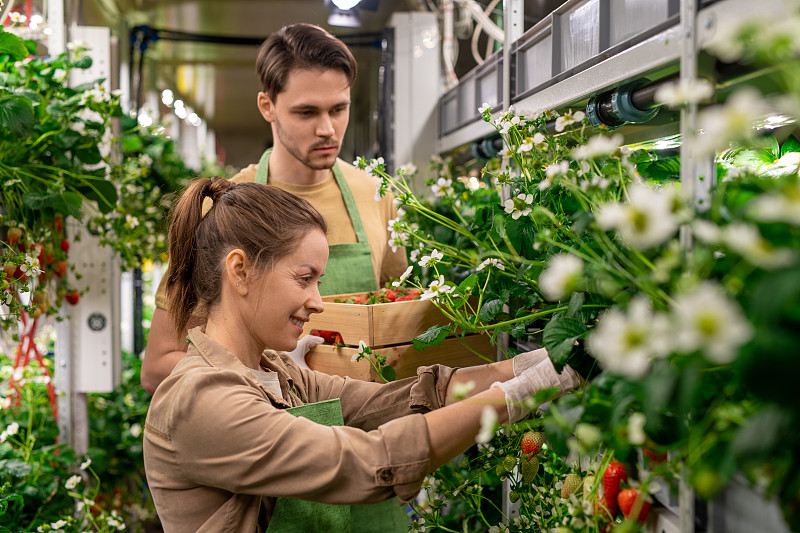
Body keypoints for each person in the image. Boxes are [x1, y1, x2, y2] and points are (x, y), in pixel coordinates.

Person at [143, 177, 583, 532]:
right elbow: (368, 462)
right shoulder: (202, 398)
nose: (318, 302)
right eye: (304, 278)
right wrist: (517, 394)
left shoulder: (278, 373)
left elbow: (405, 398)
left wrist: (545, 362)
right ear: (240, 271)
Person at [141, 23, 407, 395]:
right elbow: (158, 366)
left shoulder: (376, 195)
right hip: (267, 431)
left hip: (366, 425)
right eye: (306, 112)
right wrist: (269, 375)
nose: (328, 129)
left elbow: (399, 322)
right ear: (267, 106)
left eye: (339, 109)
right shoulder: (223, 209)